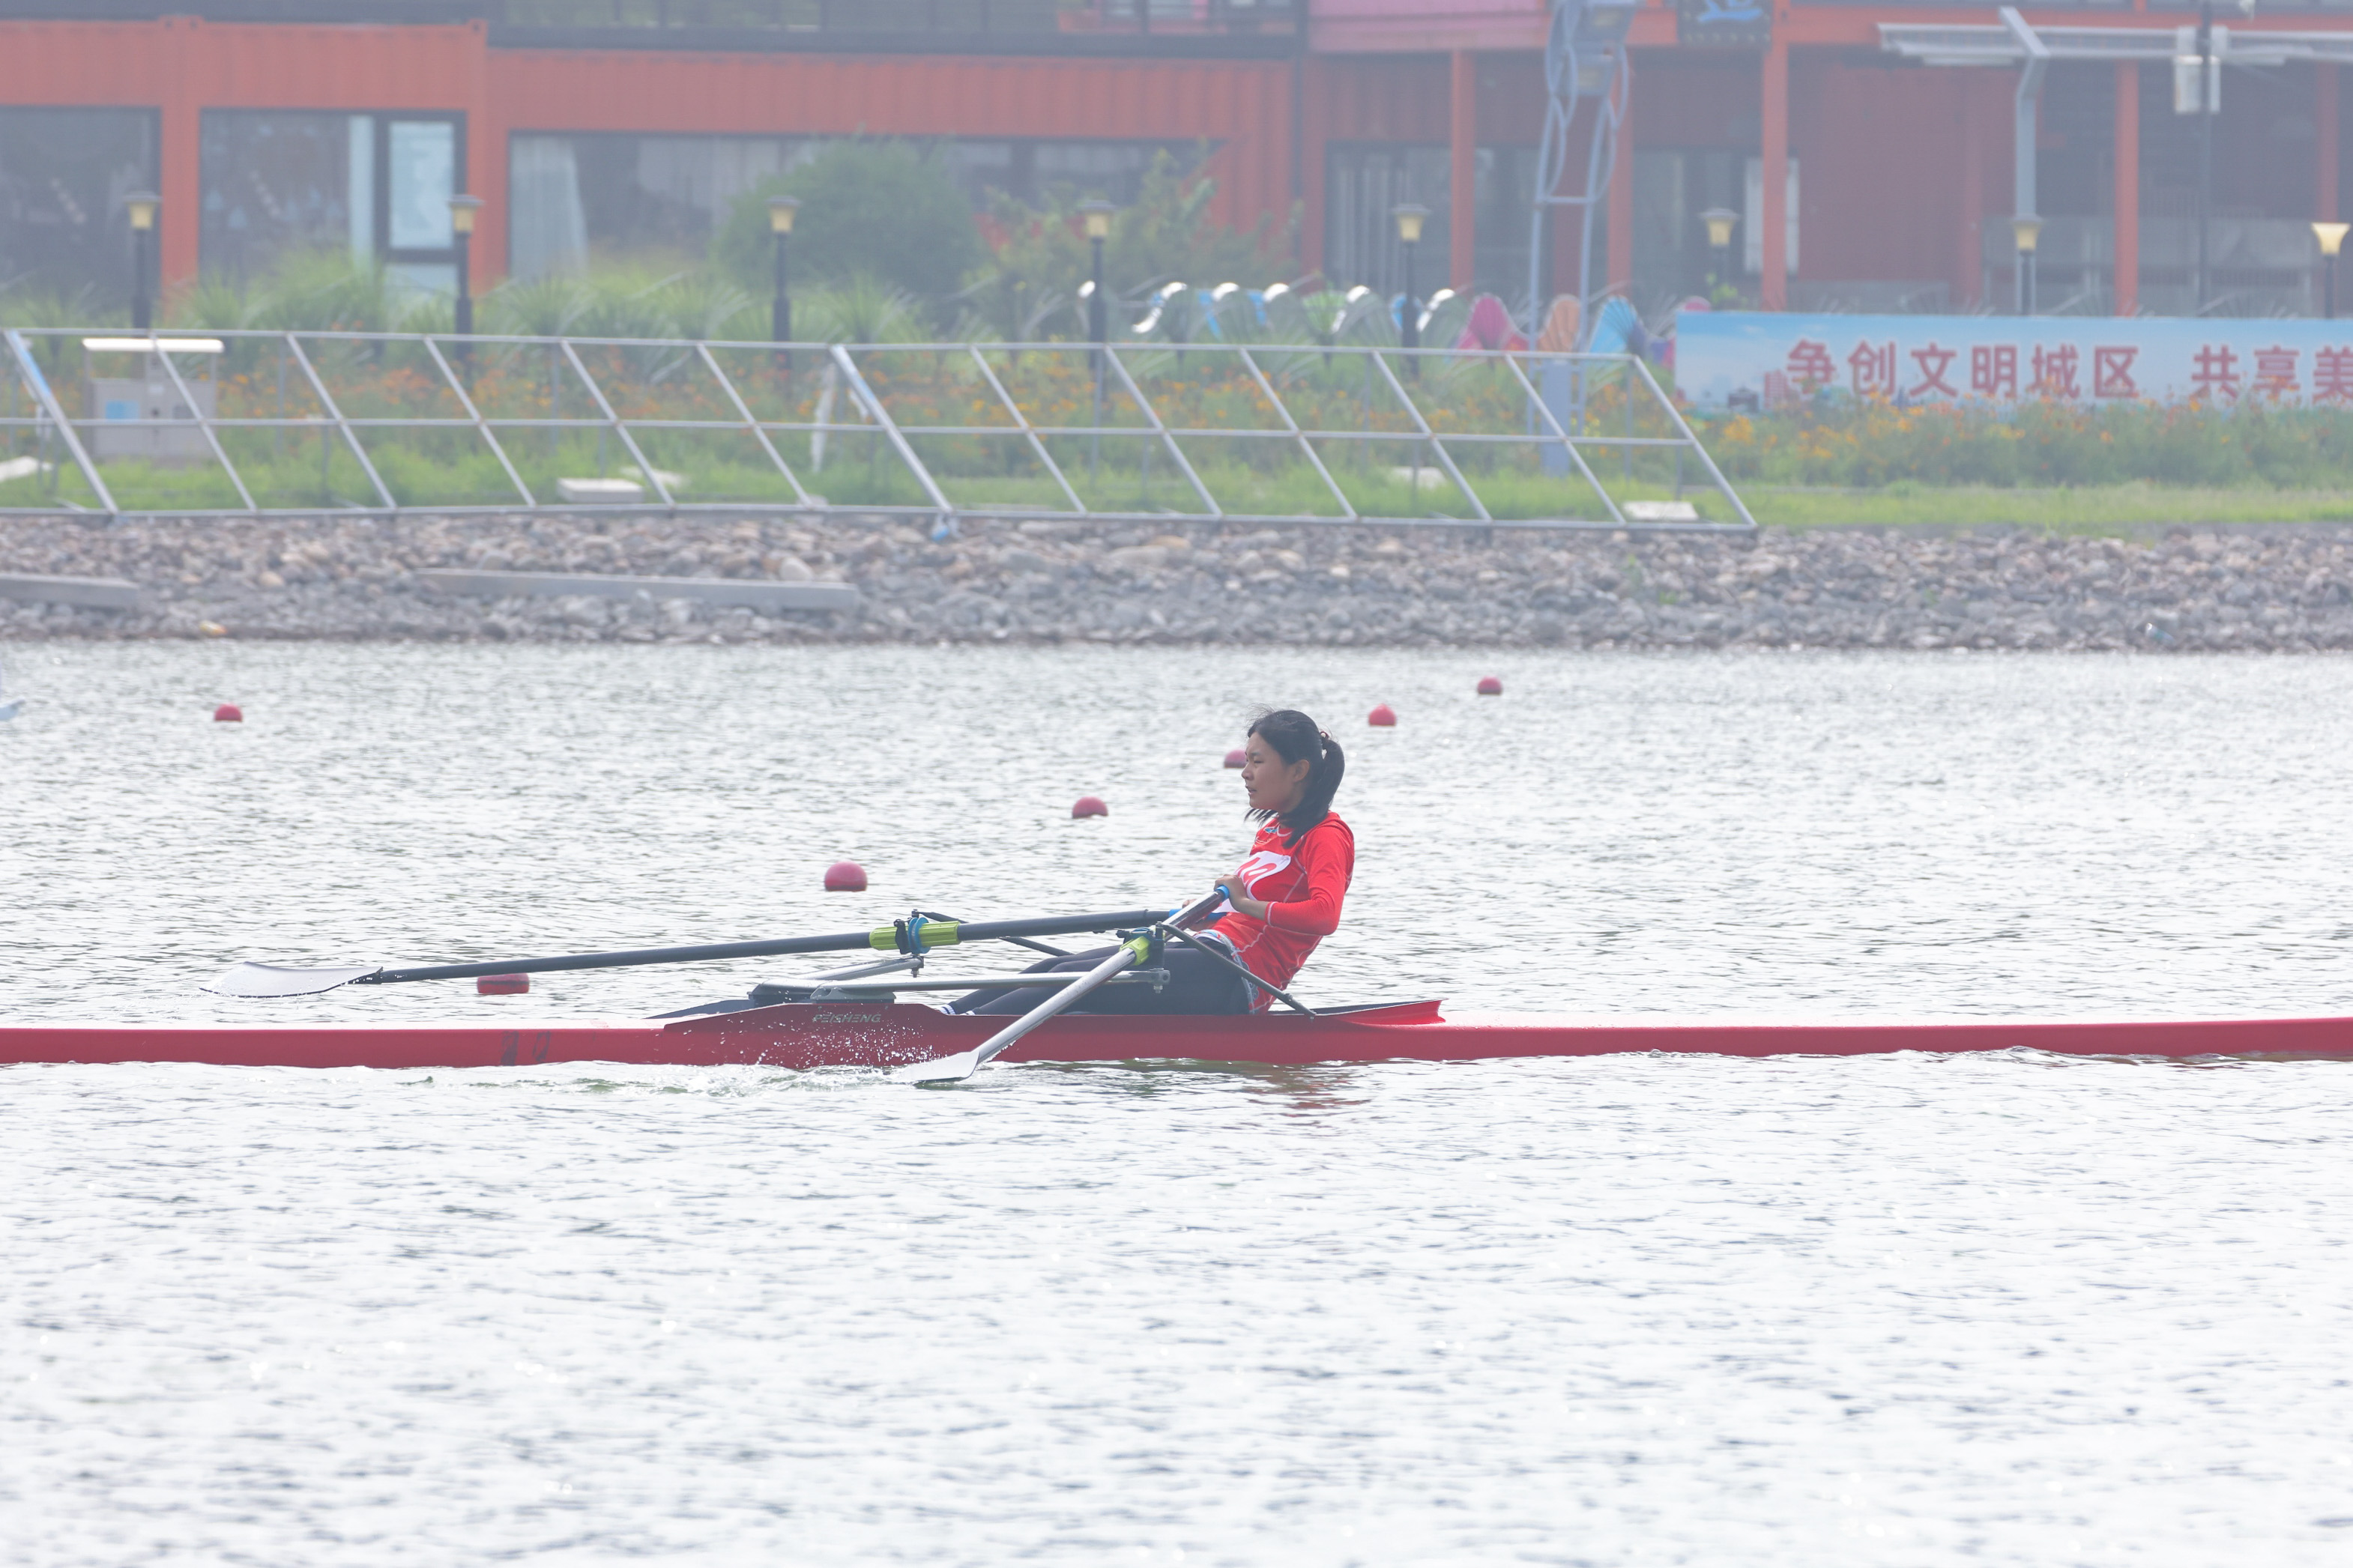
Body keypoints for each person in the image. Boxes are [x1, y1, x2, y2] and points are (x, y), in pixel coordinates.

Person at [954, 708, 1353, 1016]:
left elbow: (1324, 915)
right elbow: (1258, 918)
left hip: (1239, 978)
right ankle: (947, 1017)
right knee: (1054, 967)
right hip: (1211, 951)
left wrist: (1244, 903)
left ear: (1299, 770)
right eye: (1246, 760)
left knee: (1074, 981)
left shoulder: (1326, 835)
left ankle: (951, 1037)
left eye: (1258, 762)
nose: (1245, 773)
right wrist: (1208, 918)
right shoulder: (1272, 831)